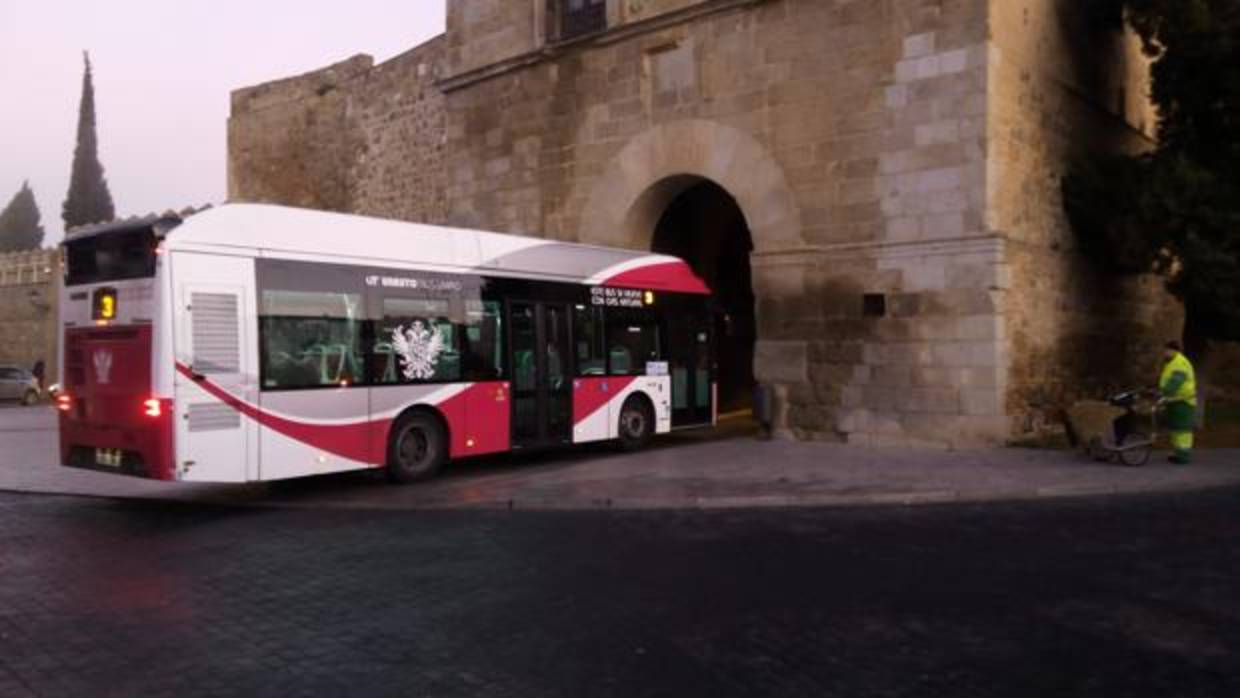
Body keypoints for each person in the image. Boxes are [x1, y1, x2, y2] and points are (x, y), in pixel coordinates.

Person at [1159, 340, 1197, 465]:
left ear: (1173, 350)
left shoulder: (1179, 363)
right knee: (1176, 429)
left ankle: (1183, 456)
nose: (1164, 353)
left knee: (1182, 430)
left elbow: (1175, 382)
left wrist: (1165, 393)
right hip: (1175, 400)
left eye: (1166, 350)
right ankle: (1178, 454)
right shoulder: (1173, 362)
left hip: (1183, 401)